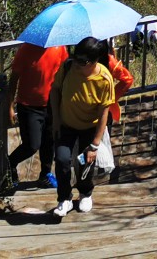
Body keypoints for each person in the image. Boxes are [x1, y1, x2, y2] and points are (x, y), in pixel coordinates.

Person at [46, 38, 116, 218]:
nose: (77, 64)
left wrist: (94, 144)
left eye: (82, 62)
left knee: (84, 162)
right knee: (62, 160)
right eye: (75, 58)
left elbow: (103, 113)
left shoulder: (104, 79)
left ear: (95, 61)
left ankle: (85, 192)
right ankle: (64, 198)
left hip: (89, 127)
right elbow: (55, 90)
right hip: (66, 124)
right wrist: (55, 118)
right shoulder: (68, 67)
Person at [3, 42, 67, 189]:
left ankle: (45, 175)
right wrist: (10, 107)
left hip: (52, 103)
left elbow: (65, 72)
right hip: (28, 105)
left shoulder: (59, 47)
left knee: (49, 141)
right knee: (32, 145)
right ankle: (10, 163)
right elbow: (14, 79)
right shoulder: (26, 49)